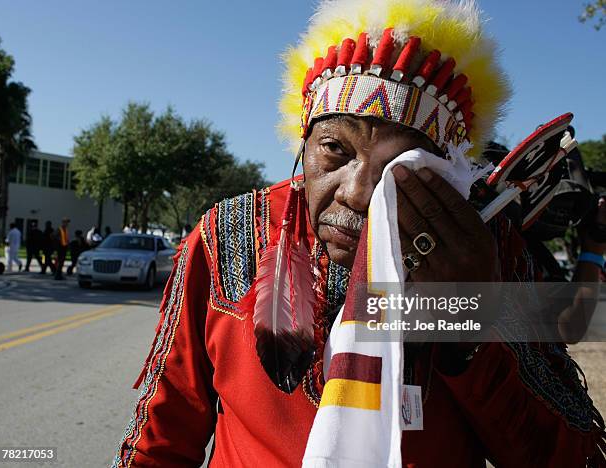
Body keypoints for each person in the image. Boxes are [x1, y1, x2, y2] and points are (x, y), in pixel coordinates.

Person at [112, 1, 605, 467]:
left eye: (399, 166)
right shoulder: (228, 236)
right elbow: (159, 440)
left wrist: (467, 317)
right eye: (334, 150)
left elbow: (568, 454)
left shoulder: (486, 248)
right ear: (303, 144)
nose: (358, 192)